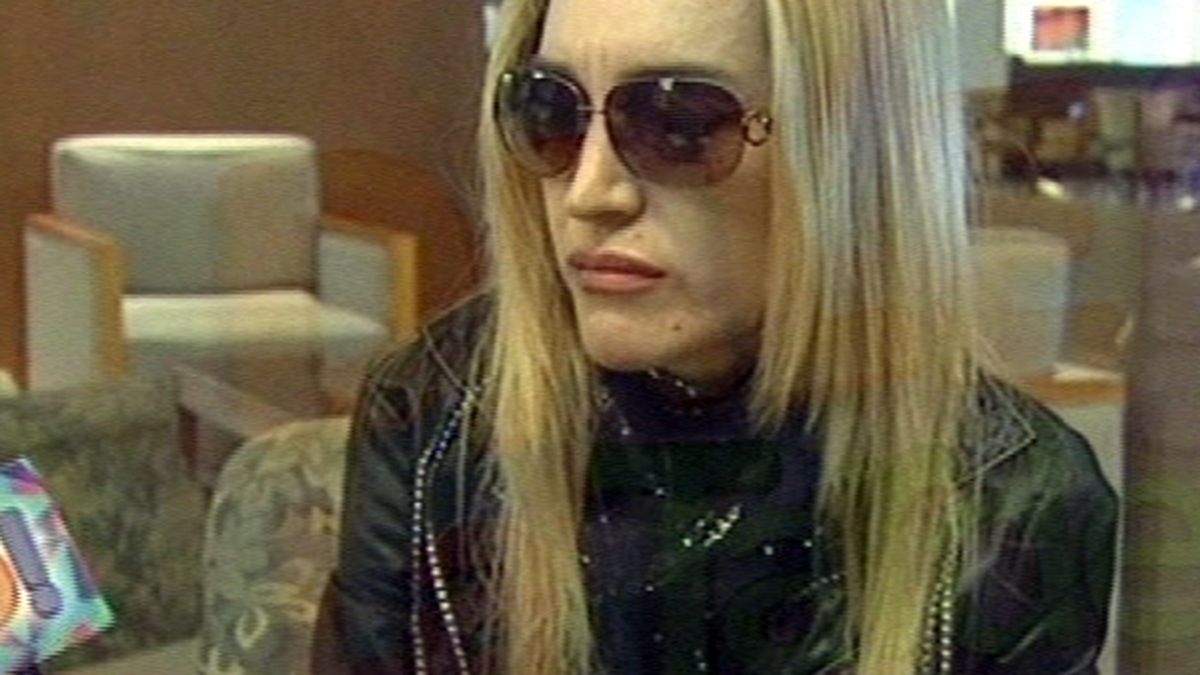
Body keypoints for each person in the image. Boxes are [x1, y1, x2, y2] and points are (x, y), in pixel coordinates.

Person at [312, 0, 1119, 673]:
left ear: (850, 154)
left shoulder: (1014, 501)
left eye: (678, 121)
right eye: (550, 111)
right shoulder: (435, 411)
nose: (589, 192)